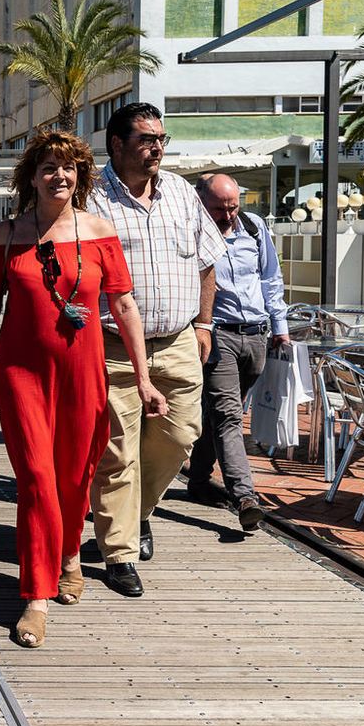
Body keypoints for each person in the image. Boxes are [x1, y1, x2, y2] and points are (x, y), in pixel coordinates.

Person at [0, 131, 166, 648]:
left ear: (79, 175)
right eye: (48, 168)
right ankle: (35, 596)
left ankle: (70, 556)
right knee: (37, 479)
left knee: (76, 473)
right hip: (20, 373)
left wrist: (144, 378)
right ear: (31, 177)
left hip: (84, 370)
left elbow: (124, 307)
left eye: (68, 167)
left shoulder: (100, 231)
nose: (59, 176)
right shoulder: (7, 235)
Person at [86, 103, 225, 598]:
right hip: (111, 348)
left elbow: (208, 262)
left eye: (161, 138)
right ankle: (120, 553)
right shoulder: (90, 199)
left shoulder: (183, 194)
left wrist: (205, 324)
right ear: (117, 144)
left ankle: (133, 514)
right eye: (146, 139)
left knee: (182, 433)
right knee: (117, 452)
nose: (157, 147)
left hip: (178, 341)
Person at [186, 174, 289, 533]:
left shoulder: (254, 227)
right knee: (229, 415)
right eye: (220, 209)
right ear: (202, 203)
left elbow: (270, 277)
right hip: (219, 337)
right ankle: (245, 497)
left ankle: (198, 481)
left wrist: (280, 326)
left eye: (233, 207)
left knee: (219, 413)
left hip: (257, 336)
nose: (228, 215)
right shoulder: (192, 230)